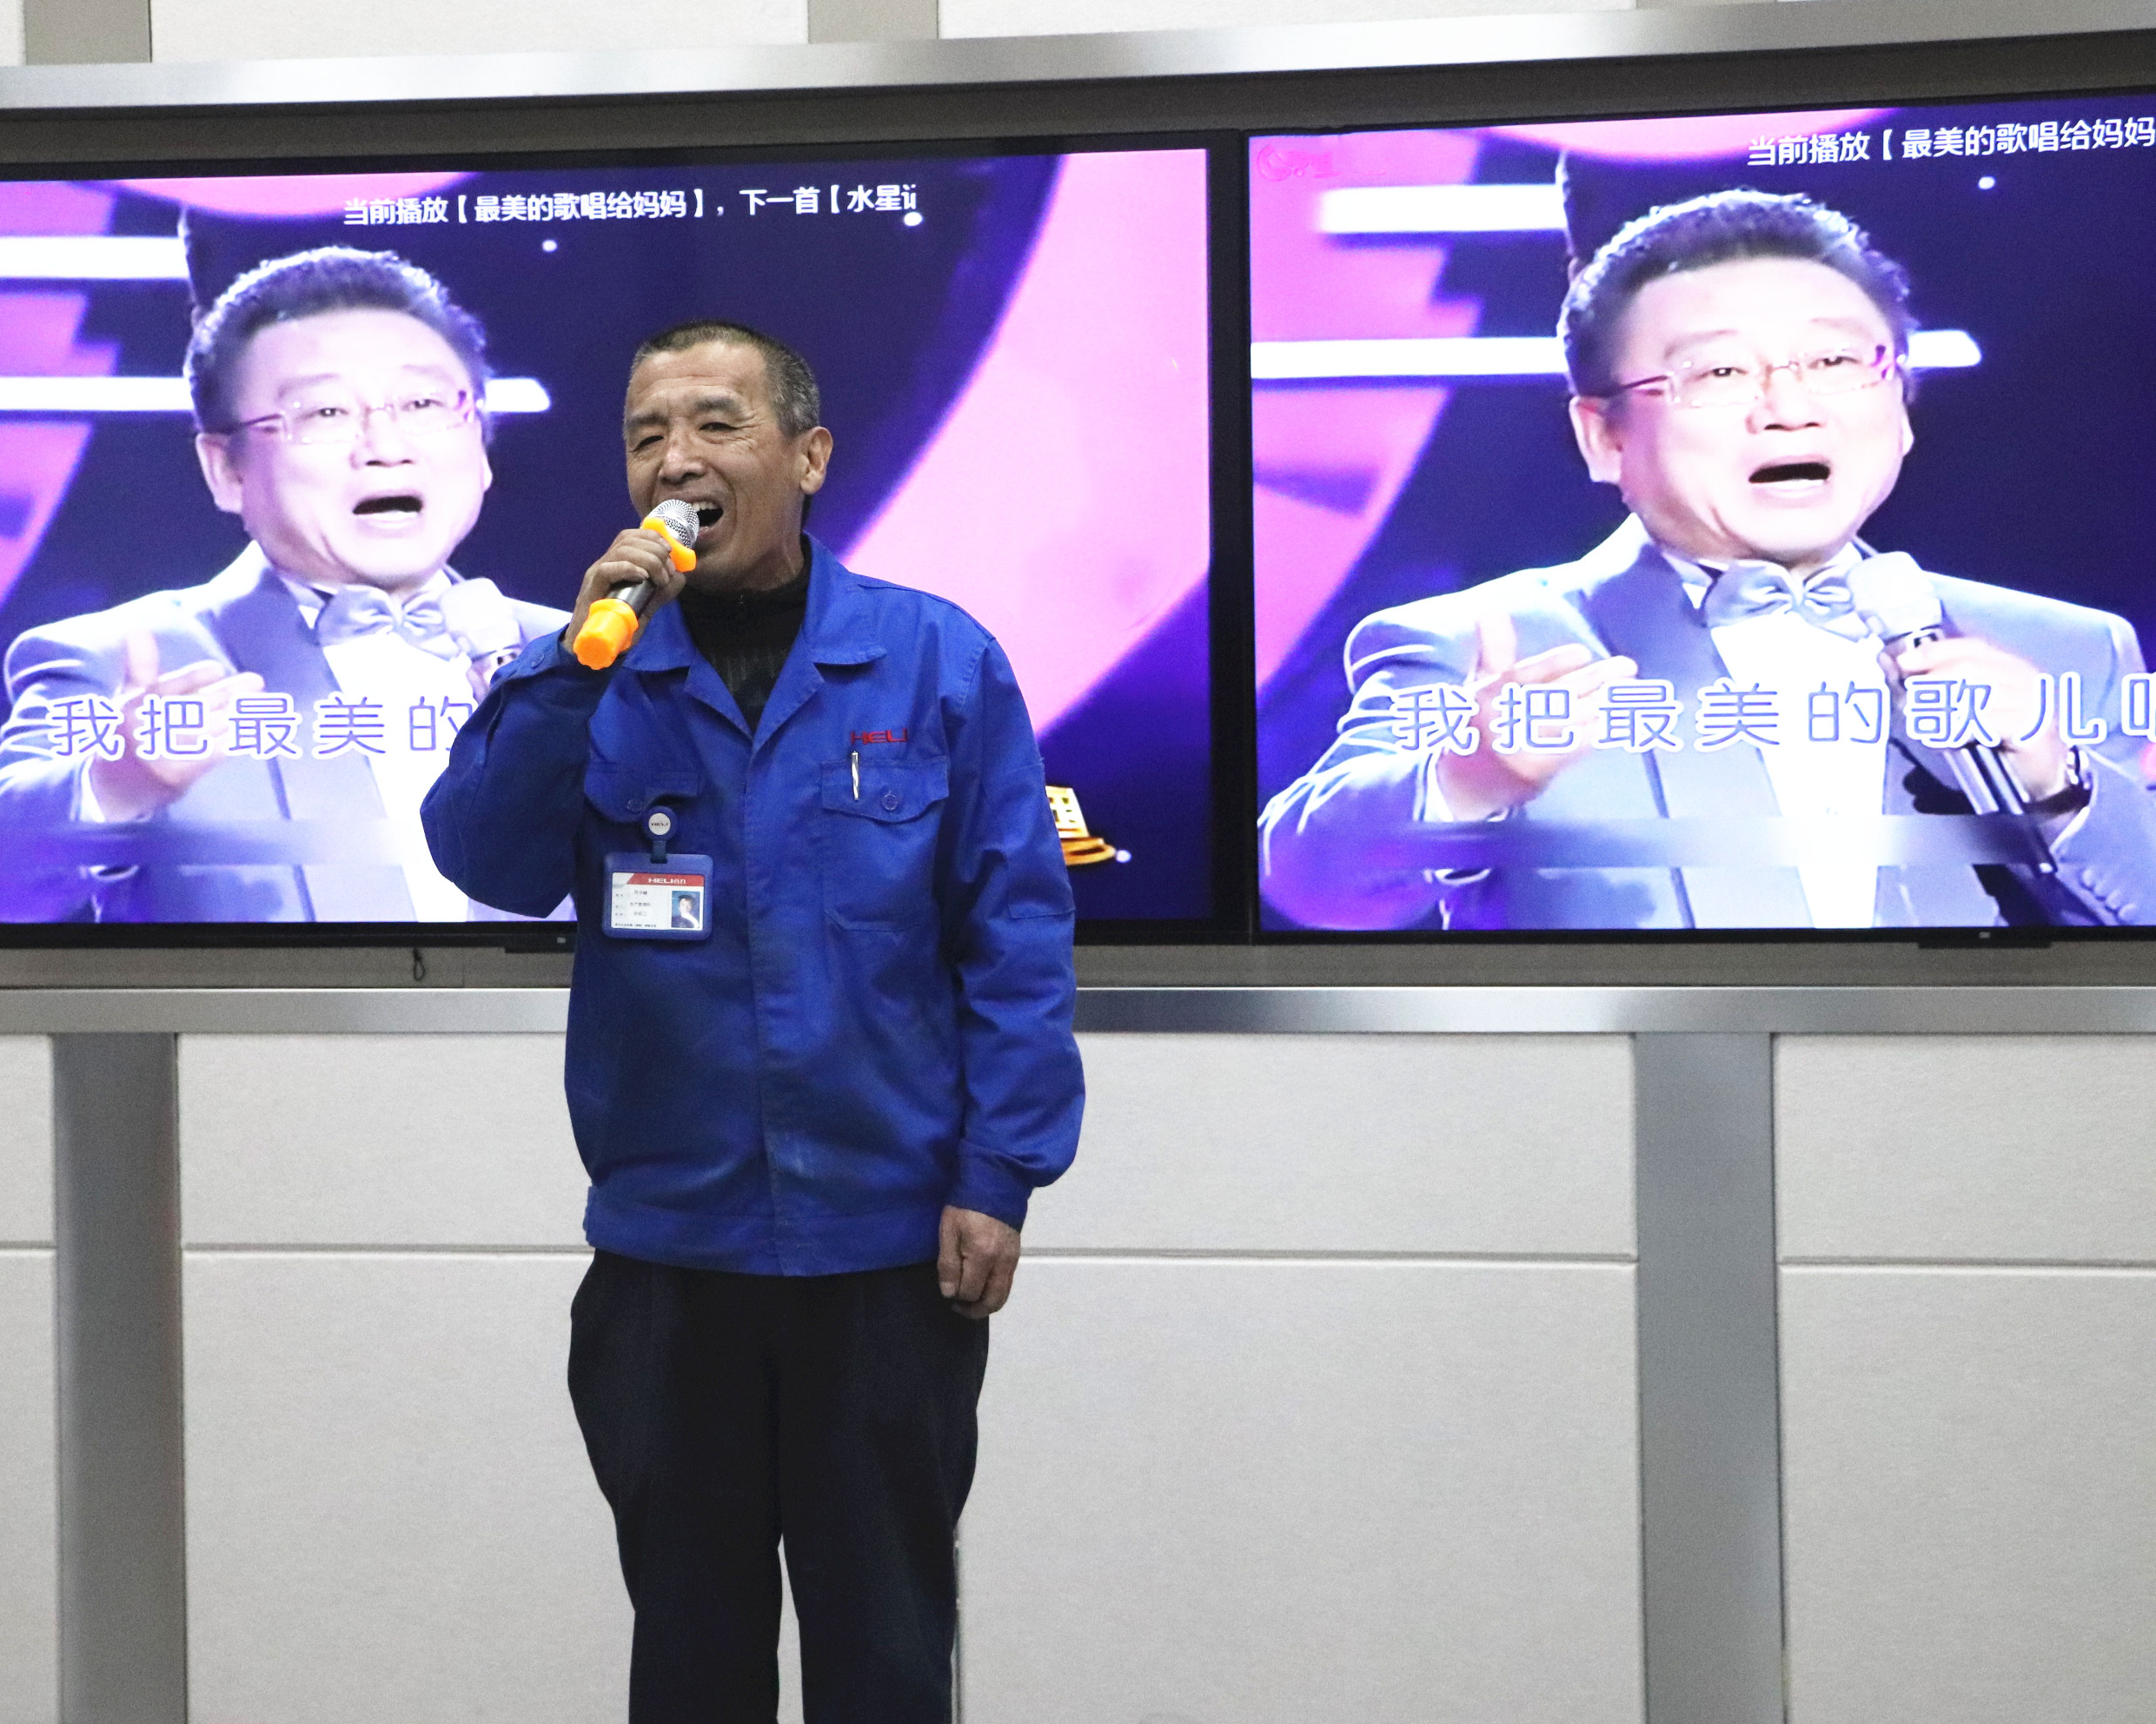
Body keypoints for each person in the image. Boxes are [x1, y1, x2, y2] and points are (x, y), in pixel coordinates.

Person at [425, 320, 1083, 1721]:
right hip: (671, 1262)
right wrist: (576, 665)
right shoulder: (589, 667)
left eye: (716, 425)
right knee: (692, 1661)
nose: (676, 460)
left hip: (884, 1261)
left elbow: (1015, 939)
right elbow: (486, 858)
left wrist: (999, 1175)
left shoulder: (934, 661)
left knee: (887, 1656)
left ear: (808, 455)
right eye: (646, 435)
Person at [1263, 190, 2156, 930]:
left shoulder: (2068, 649)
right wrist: (1471, 777)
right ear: (1604, 435)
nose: (1790, 408)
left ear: (1901, 405)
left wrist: (2058, 780)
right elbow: (1307, 883)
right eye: (1719, 374)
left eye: (1835, 360)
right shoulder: (1482, 645)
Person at [0, 247, 566, 923]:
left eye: (422, 403)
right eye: (324, 414)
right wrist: (118, 781)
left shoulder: (583, 655)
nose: (386, 447)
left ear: (481, 443)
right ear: (226, 471)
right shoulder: (125, 657)